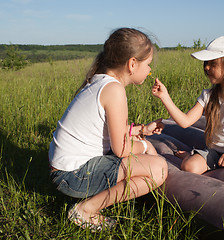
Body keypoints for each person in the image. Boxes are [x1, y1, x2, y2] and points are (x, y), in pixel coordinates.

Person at [48, 28, 168, 231]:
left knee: (148, 158)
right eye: (147, 65)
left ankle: (142, 196)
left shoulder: (100, 82)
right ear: (132, 64)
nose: (149, 71)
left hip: (64, 171)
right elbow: (121, 149)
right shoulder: (114, 90)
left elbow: (107, 129)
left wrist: (141, 130)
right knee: (159, 168)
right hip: (73, 176)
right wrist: (144, 145)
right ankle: (85, 210)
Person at [152, 34, 224, 175]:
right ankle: (191, 156)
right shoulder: (208, 96)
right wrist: (164, 97)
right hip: (215, 152)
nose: (207, 67)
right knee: (190, 166)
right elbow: (185, 121)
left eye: (212, 63)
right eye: (206, 63)